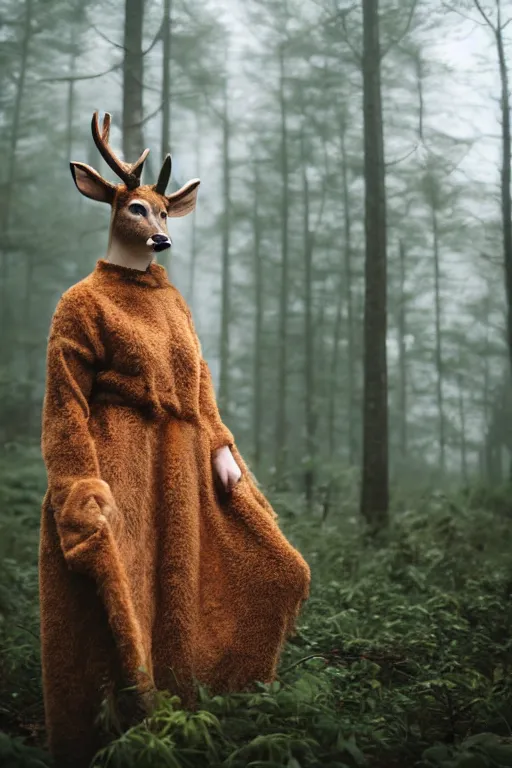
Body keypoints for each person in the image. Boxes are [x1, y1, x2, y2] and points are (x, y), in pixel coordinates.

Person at [38, 111, 310, 768]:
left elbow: (199, 379)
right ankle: (115, 742)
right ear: (108, 205)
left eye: (163, 214)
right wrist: (81, 486)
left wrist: (219, 445)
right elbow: (65, 406)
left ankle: (189, 728)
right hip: (120, 470)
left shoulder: (172, 301)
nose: (156, 226)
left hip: (182, 472)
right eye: (141, 212)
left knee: (273, 571)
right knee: (120, 603)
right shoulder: (82, 302)